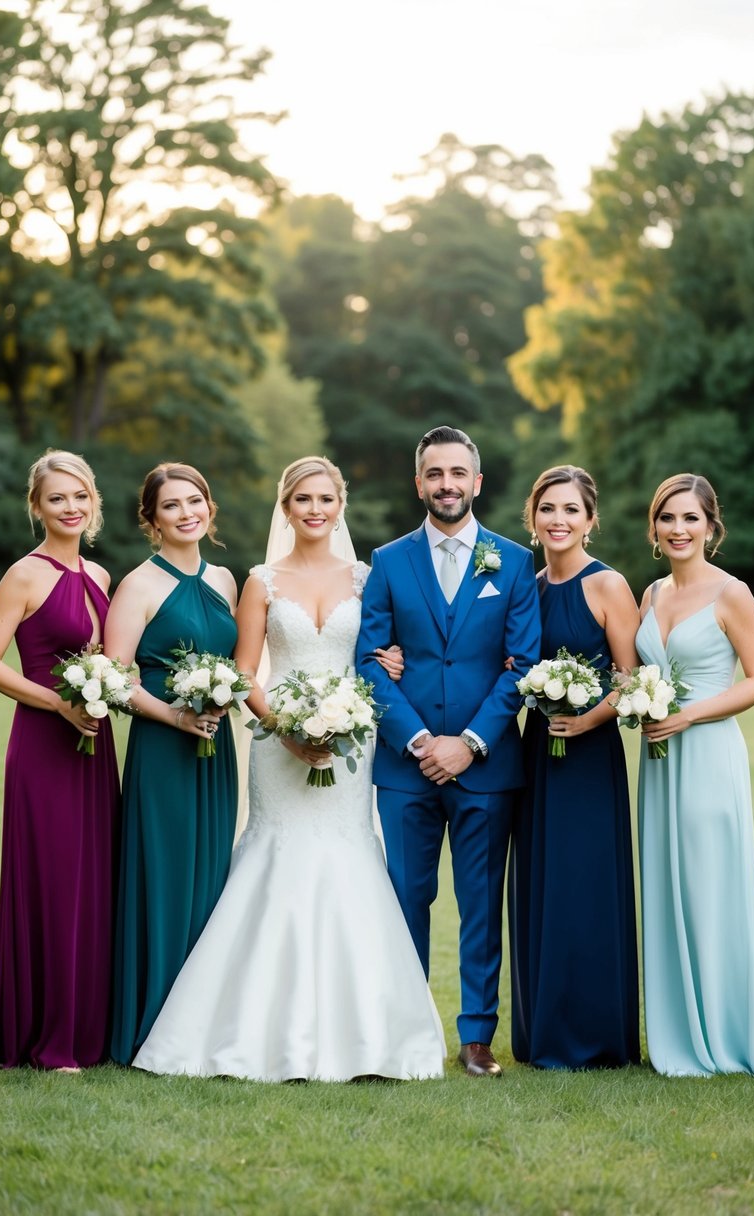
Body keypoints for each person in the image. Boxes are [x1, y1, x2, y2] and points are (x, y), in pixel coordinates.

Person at [133, 456, 445, 1081]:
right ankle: (249, 1032)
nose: (315, 509)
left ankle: (368, 1039)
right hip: (278, 745)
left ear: (341, 504)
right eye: (303, 499)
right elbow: (247, 671)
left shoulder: (367, 576)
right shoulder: (261, 581)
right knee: (277, 858)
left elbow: (382, 649)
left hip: (350, 746)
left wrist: (385, 665)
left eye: (326, 498)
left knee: (349, 857)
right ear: (286, 507)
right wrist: (287, 731)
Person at [356, 426, 541, 1077]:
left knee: (479, 902)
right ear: (418, 483)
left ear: (477, 481)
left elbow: (521, 666)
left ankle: (475, 1038)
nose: (446, 485)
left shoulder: (512, 562)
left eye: (457, 473)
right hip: (404, 768)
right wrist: (415, 739)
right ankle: (406, 1032)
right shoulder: (386, 561)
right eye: (434, 473)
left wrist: (467, 743)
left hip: (485, 767)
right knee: (405, 897)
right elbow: (369, 662)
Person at [0, 450, 119, 1070]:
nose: (71, 507)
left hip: (94, 746)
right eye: (57, 498)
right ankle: (45, 1037)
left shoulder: (103, 577)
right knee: (54, 883)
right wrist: (56, 705)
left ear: (93, 502)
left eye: (80, 495)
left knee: (92, 884)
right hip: (43, 745)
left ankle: (88, 1031)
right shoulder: (24, 575)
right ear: (38, 507)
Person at [637, 473, 754, 1077]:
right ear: (654, 526)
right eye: (668, 518)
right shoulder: (649, 596)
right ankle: (675, 1035)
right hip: (658, 767)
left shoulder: (733, 594)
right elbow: (632, 672)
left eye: (690, 518)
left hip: (708, 755)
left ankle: (726, 1036)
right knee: (666, 889)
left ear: (710, 527)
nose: (678, 529)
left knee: (710, 889)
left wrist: (686, 715)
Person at [105, 463, 238, 1065]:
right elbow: (113, 676)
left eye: (195, 502)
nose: (187, 513)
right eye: (171, 506)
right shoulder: (139, 584)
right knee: (164, 876)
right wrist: (172, 716)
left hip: (216, 748)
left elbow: (240, 664)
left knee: (210, 879)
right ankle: (149, 1023)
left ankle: (198, 1026)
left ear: (209, 508)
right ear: (151, 520)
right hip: (164, 745)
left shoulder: (228, 580)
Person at [508, 465, 640, 1069]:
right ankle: (545, 1035)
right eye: (548, 509)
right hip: (539, 752)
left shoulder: (607, 585)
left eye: (571, 510)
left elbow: (633, 679)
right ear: (533, 518)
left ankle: (596, 1035)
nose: (558, 520)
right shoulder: (527, 585)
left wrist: (588, 721)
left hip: (589, 755)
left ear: (591, 519)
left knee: (586, 885)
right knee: (543, 881)